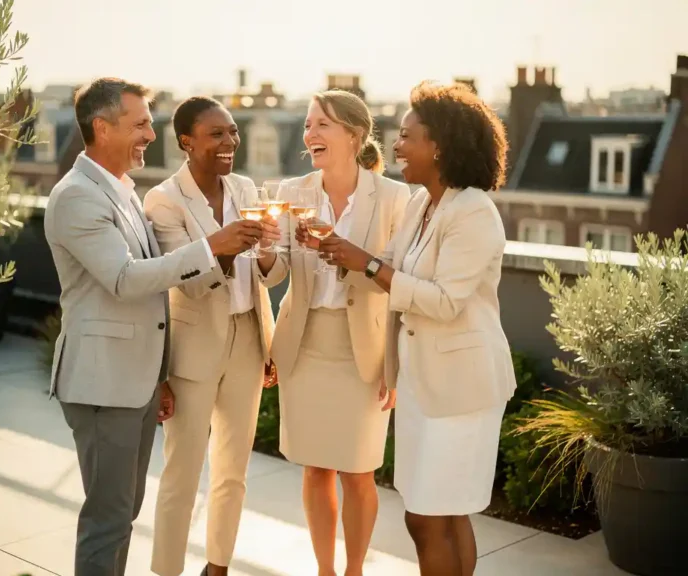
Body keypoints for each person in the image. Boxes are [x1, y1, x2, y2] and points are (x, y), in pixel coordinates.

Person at [43, 79, 264, 576]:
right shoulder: (77, 196)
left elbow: (155, 297)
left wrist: (160, 375)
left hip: (135, 379)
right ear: (102, 128)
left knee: (123, 513)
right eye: (140, 123)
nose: (149, 133)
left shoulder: (121, 191)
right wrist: (214, 247)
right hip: (104, 382)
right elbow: (126, 279)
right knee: (108, 519)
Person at [318, 81, 517, 576]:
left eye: (408, 136)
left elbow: (444, 302)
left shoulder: (473, 212)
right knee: (440, 514)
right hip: (422, 385)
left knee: (430, 517)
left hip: (460, 390)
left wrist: (366, 263)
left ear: (440, 145)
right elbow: (386, 269)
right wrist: (333, 247)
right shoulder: (420, 204)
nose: (397, 146)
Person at [144, 96, 288, 576]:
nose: (230, 142)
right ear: (186, 142)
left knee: (233, 472)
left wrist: (265, 252)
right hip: (194, 347)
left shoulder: (246, 188)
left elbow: (271, 276)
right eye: (217, 134)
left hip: (248, 338)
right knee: (182, 473)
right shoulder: (164, 200)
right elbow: (185, 282)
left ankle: (218, 567)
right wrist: (224, 247)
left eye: (233, 132)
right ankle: (167, 570)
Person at [270, 89, 410, 576]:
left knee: (358, 471)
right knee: (315, 467)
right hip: (305, 345)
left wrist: (393, 364)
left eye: (322, 125)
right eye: (308, 125)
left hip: (363, 352)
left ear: (354, 135)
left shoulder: (394, 197)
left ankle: (354, 571)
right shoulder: (292, 192)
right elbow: (275, 273)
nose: (310, 133)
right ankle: (325, 571)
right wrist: (265, 251)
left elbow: (396, 284)